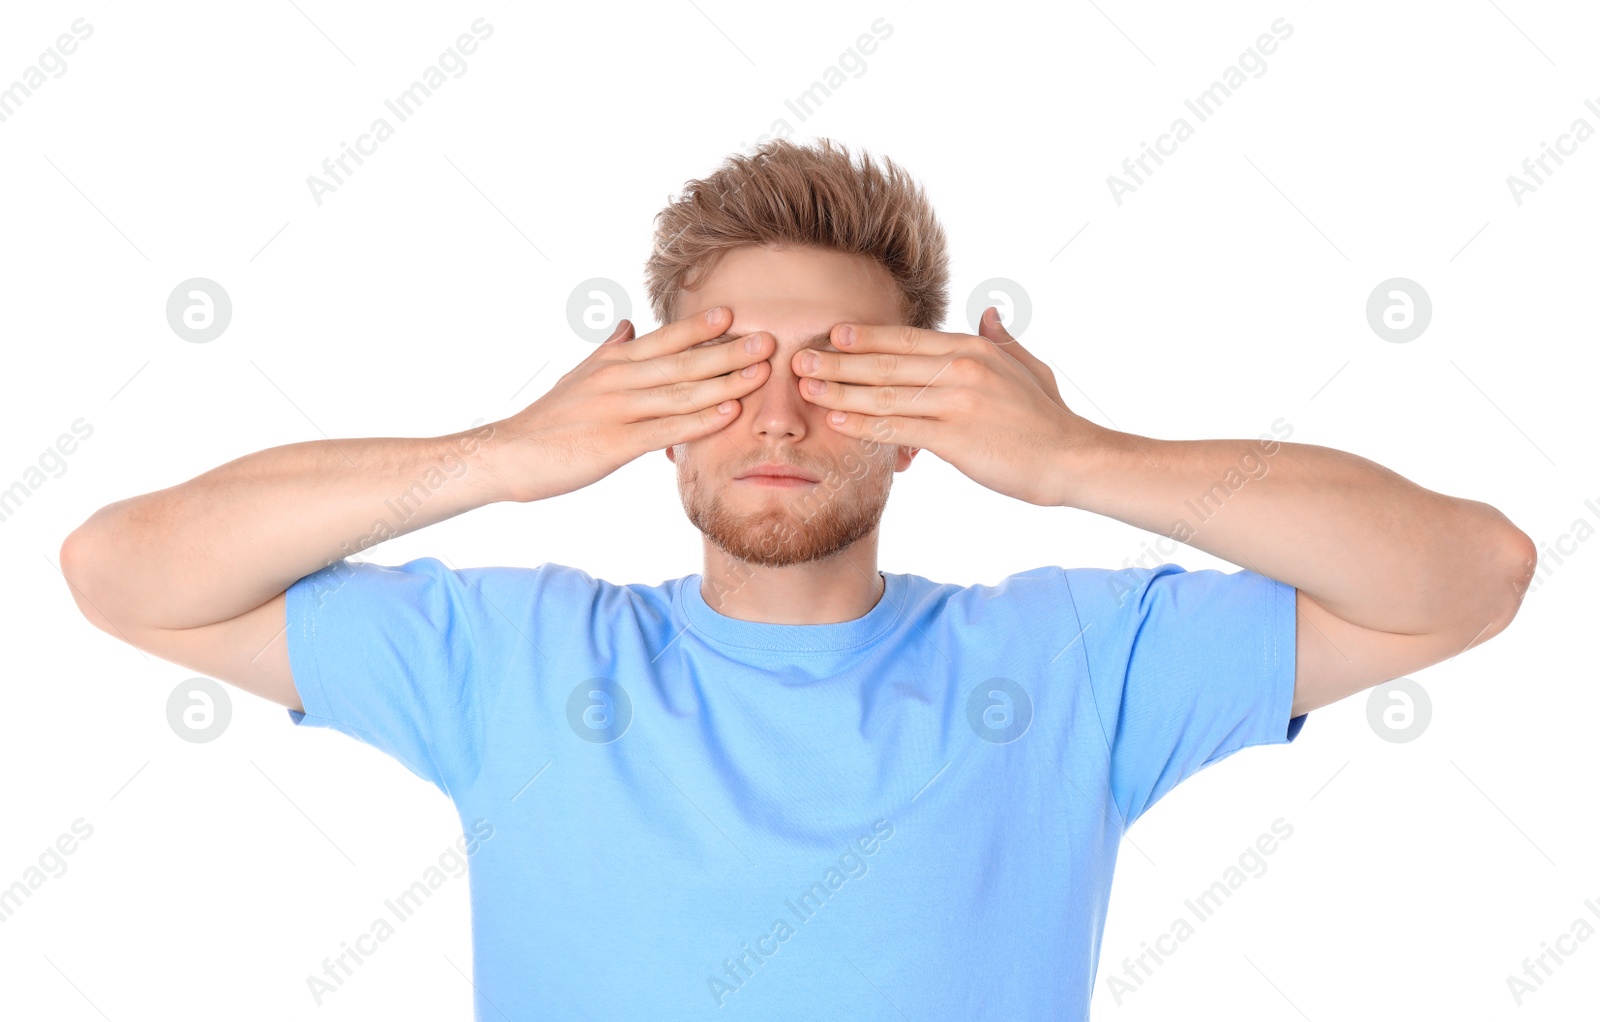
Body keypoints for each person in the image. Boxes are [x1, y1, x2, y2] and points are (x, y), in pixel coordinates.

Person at [60, 138, 1535, 1020]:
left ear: (918, 429)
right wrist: (505, 452)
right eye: (726, 370)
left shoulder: (1079, 659)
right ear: (654, 417)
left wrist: (1077, 457)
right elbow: (121, 570)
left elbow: (1472, 573)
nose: (776, 417)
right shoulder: (506, 658)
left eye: (842, 375)